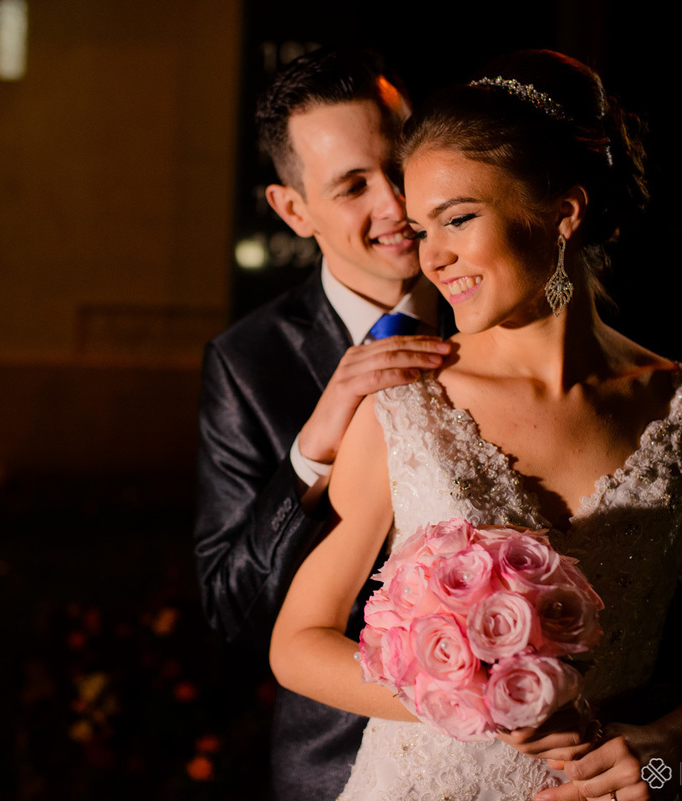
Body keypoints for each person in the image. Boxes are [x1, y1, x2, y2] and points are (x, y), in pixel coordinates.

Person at [269, 50, 682, 801]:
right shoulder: (410, 403)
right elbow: (298, 642)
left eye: (458, 218)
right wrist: (463, 696)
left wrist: (674, 739)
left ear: (563, 211)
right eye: (421, 227)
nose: (433, 255)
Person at [194, 47, 456, 800]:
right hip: (344, 766)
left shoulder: (505, 312)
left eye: (400, 162)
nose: (396, 203)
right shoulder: (247, 364)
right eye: (352, 186)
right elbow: (231, 608)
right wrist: (309, 454)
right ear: (292, 210)